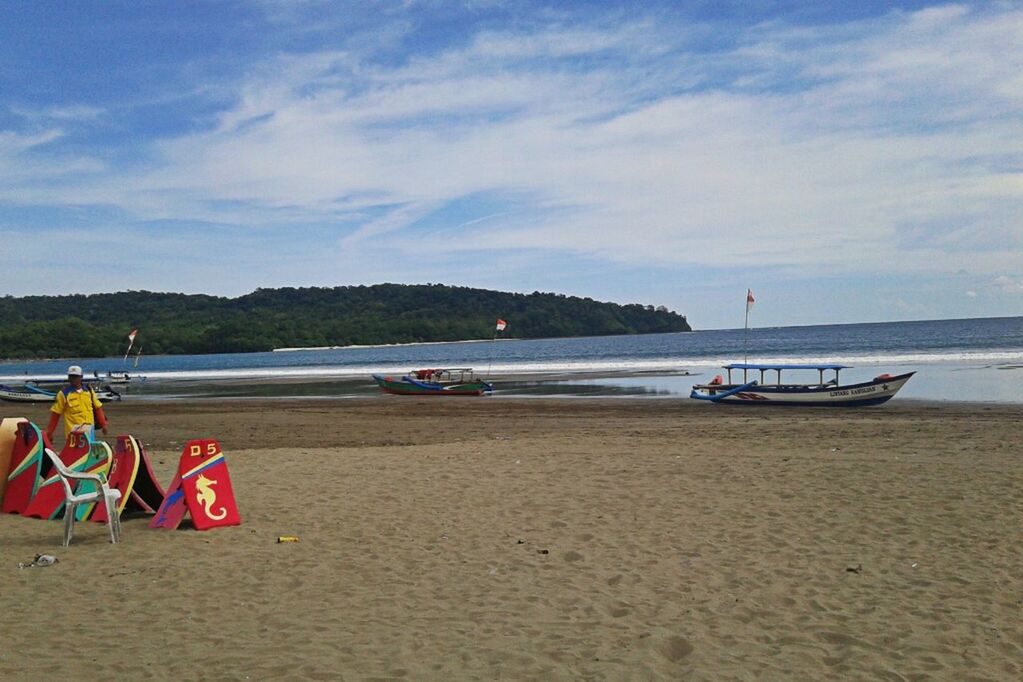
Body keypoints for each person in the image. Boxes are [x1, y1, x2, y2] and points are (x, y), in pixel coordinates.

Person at [45, 365, 109, 443]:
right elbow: (55, 415)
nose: (73, 379)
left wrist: (103, 425)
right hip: (73, 434)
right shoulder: (64, 394)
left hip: (89, 431)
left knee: (90, 452)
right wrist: (50, 433)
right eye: (71, 376)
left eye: (75, 376)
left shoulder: (89, 391)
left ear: (81, 377)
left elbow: (98, 408)